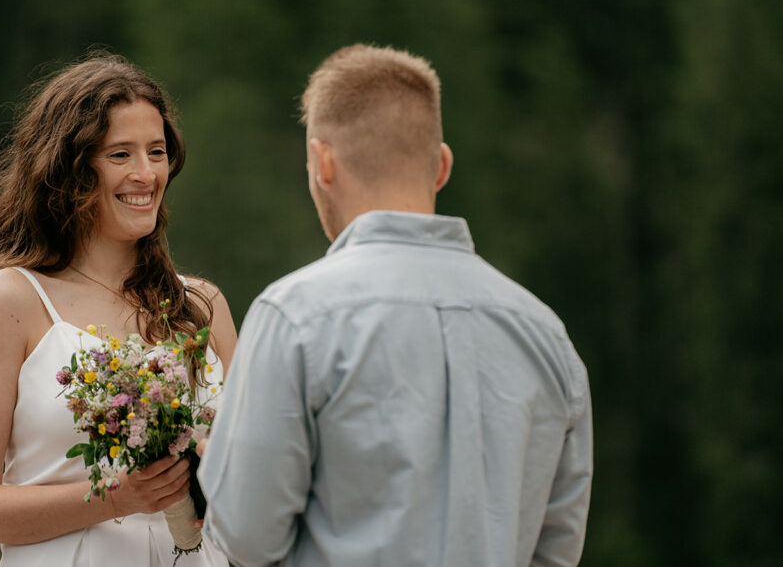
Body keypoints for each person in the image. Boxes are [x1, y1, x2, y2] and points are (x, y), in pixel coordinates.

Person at [198, 44, 593, 566]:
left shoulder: (294, 316)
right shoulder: (546, 336)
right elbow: (557, 551)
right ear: (442, 166)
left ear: (322, 162)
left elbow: (247, 540)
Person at [0, 53, 237, 566]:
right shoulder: (10, 302)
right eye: (120, 154)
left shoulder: (201, 306)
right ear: (69, 169)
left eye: (157, 151)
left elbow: (257, 468)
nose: (146, 174)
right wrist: (117, 498)